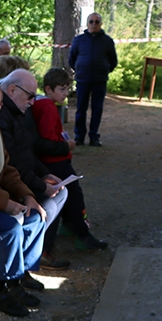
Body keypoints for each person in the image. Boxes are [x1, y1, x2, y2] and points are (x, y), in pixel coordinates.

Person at [0, 80, 57, 318]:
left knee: (35, 216)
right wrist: (6, 203)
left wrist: (27, 195)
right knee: (9, 227)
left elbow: (6, 170)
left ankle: (16, 279)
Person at [0, 68, 89, 263]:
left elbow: (27, 153)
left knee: (60, 191)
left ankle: (33, 254)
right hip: (10, 186)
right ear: (12, 90)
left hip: (21, 179)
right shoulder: (3, 115)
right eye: (30, 96)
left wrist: (45, 174)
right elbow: (11, 165)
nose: (32, 102)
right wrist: (39, 186)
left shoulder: (17, 111)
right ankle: (32, 255)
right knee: (49, 201)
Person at [31, 67, 109, 252]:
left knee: (67, 192)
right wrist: (66, 145)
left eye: (67, 89)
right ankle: (83, 234)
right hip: (55, 160)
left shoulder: (40, 103)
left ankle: (68, 224)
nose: (65, 93)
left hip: (49, 160)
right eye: (62, 89)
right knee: (74, 194)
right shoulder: (48, 107)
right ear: (48, 89)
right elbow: (48, 138)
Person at [68, 12, 119, 145]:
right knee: (81, 109)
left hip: (99, 80)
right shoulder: (78, 40)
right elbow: (71, 59)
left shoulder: (107, 41)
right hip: (82, 80)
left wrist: (104, 70)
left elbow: (113, 61)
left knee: (97, 110)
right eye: (91, 21)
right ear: (87, 24)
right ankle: (79, 137)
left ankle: (94, 137)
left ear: (101, 24)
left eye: (97, 22)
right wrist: (80, 70)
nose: (94, 24)